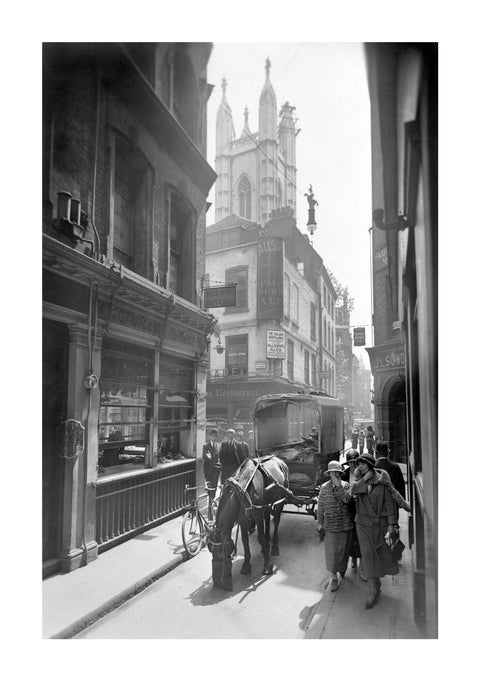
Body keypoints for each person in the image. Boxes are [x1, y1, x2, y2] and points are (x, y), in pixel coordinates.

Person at [351, 452, 397, 609]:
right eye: (358, 464)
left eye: (363, 463)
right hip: (362, 525)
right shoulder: (358, 480)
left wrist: (392, 524)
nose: (360, 467)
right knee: (368, 557)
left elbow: (390, 503)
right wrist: (364, 478)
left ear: (370, 464)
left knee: (379, 556)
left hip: (380, 525)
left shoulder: (382, 480)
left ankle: (377, 585)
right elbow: (354, 491)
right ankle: (372, 592)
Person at [317, 460, 353, 592]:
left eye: (337, 472)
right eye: (332, 472)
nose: (335, 475)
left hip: (345, 525)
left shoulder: (346, 485)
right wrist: (319, 522)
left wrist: (339, 487)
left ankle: (342, 568)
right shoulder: (324, 488)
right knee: (331, 553)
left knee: (343, 551)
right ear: (329, 473)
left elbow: (346, 499)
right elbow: (320, 506)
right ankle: (334, 577)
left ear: (340, 473)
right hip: (330, 526)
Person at [342, 449, 362, 570]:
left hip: (361, 507)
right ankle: (353, 558)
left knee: (360, 535)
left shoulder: (364, 473)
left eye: (355, 462)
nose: (353, 464)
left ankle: (360, 559)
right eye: (350, 462)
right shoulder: (343, 474)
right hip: (348, 508)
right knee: (349, 535)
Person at [202, 428, 220, 507]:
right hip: (208, 469)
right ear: (210, 436)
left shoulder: (217, 445)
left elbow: (217, 456)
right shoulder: (205, 445)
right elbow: (206, 457)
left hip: (216, 469)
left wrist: (212, 458)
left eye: (215, 436)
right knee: (209, 485)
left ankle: (212, 500)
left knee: (215, 485)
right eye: (212, 436)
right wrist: (211, 458)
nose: (214, 437)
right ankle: (210, 500)